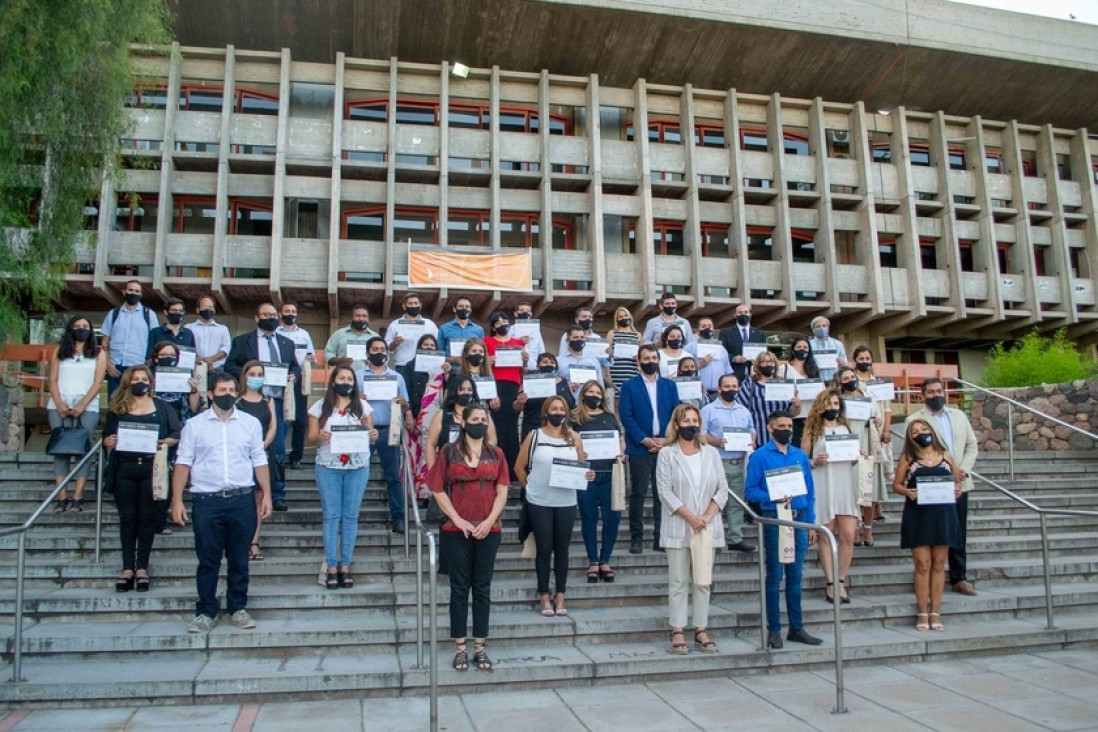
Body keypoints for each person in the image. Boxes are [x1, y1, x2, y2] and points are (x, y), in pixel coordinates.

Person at [171, 371, 272, 633]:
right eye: (222, 390)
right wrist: (176, 501)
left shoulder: (250, 423)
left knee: (240, 558)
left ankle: (238, 607)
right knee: (208, 559)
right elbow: (183, 462)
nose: (227, 395)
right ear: (210, 394)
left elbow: (259, 460)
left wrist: (267, 494)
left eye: (231, 390)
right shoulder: (195, 425)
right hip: (207, 501)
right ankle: (206, 610)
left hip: (241, 499)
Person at [426, 401, 509, 672]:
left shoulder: (495, 453)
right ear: (462, 421)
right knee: (460, 588)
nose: (480, 423)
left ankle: (480, 646)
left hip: (489, 528)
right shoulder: (449, 452)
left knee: (482, 588)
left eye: (483, 419)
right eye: (474, 418)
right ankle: (460, 648)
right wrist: (458, 519)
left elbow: (503, 490)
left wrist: (488, 521)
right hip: (455, 529)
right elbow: (437, 489)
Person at [745, 409, 823, 649]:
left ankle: (796, 627)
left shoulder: (799, 456)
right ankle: (774, 629)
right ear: (770, 428)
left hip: (798, 519)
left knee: (796, 576)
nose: (787, 430)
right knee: (775, 576)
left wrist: (811, 523)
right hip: (776, 518)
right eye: (781, 426)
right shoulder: (759, 456)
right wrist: (774, 496)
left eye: (790, 426)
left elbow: (809, 492)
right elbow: (750, 491)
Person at [656, 402, 728, 654]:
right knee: (678, 580)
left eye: (694, 420)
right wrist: (691, 517)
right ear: (676, 425)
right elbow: (665, 491)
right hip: (679, 524)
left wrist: (706, 516)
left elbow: (722, 488)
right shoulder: (667, 453)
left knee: (702, 579)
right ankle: (677, 629)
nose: (691, 425)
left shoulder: (711, 453)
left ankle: (700, 628)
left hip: (707, 525)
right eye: (685, 421)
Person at [103, 365, 181, 593]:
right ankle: (127, 568)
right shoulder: (117, 407)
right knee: (127, 518)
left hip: (152, 468)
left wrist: (165, 442)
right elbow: (106, 436)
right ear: (128, 381)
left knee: (147, 518)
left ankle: (142, 568)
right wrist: (108, 441)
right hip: (124, 469)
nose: (140, 382)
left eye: (144, 378)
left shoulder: (162, 407)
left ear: (150, 381)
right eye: (135, 378)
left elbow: (176, 434)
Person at [514, 395, 593, 618]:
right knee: (544, 548)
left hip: (566, 501)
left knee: (562, 549)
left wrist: (587, 474)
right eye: (554, 408)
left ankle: (560, 595)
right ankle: (544, 595)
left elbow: (580, 467)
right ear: (546, 412)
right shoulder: (534, 436)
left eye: (562, 409)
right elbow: (519, 467)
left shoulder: (574, 437)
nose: (558, 412)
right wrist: (529, 487)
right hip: (539, 501)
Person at [224, 303, 301, 512]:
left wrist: (294, 374)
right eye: (266, 315)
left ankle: (276, 494)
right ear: (257, 318)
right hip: (249, 402)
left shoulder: (286, 342)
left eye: (274, 315)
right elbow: (229, 366)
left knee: (277, 450)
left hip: (275, 402)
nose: (271, 318)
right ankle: (245, 487)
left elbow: (295, 366)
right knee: (244, 446)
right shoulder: (242, 341)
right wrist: (252, 373)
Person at [906, 377, 979, 596]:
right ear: (922, 395)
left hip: (959, 484)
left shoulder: (959, 415)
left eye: (939, 391)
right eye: (931, 392)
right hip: (931, 486)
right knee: (929, 532)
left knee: (957, 531)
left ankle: (959, 577)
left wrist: (962, 470)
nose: (936, 395)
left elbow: (971, 445)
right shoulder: (914, 419)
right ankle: (924, 576)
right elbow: (912, 452)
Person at [307, 365, 377, 588]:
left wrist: (373, 435)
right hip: (329, 466)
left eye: (350, 379)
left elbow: (370, 435)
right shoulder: (320, 407)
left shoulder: (363, 407)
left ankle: (345, 565)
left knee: (350, 516)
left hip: (358, 466)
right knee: (331, 516)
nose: (346, 382)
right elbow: (310, 438)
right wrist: (321, 436)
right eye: (342, 378)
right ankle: (330, 566)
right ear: (333, 381)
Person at [893, 419, 963, 631]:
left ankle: (936, 611)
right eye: (916, 431)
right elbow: (896, 484)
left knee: (939, 563)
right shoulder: (908, 458)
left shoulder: (946, 456)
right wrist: (907, 491)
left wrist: (957, 489)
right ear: (910, 437)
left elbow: (957, 479)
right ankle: (922, 610)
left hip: (943, 514)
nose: (921, 433)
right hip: (919, 514)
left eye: (924, 429)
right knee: (922, 564)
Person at [801, 388, 859, 604]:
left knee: (848, 535)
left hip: (845, 483)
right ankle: (830, 583)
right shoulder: (812, 429)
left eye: (836, 404)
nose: (832, 408)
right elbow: (803, 459)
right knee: (826, 535)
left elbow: (852, 458)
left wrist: (856, 457)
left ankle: (841, 580)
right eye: (829, 404)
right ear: (821, 405)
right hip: (823, 482)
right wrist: (815, 461)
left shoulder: (846, 428)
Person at [618, 344, 678, 554]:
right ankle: (637, 538)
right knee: (639, 494)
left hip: (665, 447)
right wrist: (644, 440)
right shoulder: (629, 386)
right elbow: (626, 416)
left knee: (663, 493)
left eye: (654, 357)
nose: (651, 361)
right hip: (639, 448)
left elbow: (675, 415)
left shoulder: (670, 386)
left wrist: (666, 439)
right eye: (647, 358)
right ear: (639, 361)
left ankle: (660, 537)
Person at [46, 314, 106, 513]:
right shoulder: (59, 352)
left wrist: (82, 404)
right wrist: (59, 403)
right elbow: (52, 379)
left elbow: (98, 382)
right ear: (70, 329)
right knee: (60, 450)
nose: (82, 328)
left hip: (87, 406)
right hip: (59, 404)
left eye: (85, 326)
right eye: (77, 325)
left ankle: (77, 497)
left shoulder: (98, 353)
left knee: (83, 450)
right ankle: (61, 496)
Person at [355, 337, 412, 533]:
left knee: (394, 477)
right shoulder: (356, 375)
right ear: (367, 353)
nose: (379, 352)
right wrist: (356, 399)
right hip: (363, 431)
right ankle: (352, 516)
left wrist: (402, 403)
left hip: (390, 430)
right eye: (375, 349)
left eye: (382, 349)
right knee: (357, 474)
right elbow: (345, 404)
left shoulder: (397, 377)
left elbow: (406, 406)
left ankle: (398, 518)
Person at [571, 380, 625, 583]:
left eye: (598, 392)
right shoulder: (574, 418)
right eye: (591, 392)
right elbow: (569, 444)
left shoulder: (610, 417)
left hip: (611, 473)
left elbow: (620, 439)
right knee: (589, 518)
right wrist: (578, 454)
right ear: (583, 395)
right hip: (587, 476)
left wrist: (622, 450)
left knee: (613, 518)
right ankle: (593, 560)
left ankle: (605, 560)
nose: (595, 395)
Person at [148, 340, 202, 535]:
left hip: (177, 430)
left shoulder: (185, 376)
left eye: (172, 356)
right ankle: (151, 519)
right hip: (153, 428)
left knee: (170, 474)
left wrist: (194, 390)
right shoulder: (147, 376)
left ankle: (162, 520)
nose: (168, 359)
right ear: (155, 358)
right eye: (164, 355)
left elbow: (194, 408)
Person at [701, 373, 756, 552]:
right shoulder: (708, 410)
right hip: (717, 463)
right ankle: (713, 538)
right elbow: (701, 434)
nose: (731, 390)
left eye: (734, 386)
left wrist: (752, 439)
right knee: (714, 503)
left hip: (738, 462)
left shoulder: (743, 411)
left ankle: (735, 538)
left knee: (736, 503)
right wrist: (717, 442)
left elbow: (751, 430)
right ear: (719, 389)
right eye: (727, 386)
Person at [234, 362, 277, 561]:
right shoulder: (235, 401)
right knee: (242, 501)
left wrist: (262, 445)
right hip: (239, 456)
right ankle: (239, 542)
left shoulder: (268, 399)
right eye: (252, 373)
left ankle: (254, 542)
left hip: (262, 454)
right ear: (244, 375)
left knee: (259, 500)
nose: (256, 376)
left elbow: (272, 427)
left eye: (260, 374)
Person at [853, 345, 893, 530]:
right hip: (859, 431)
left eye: (867, 358)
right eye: (860, 358)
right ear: (855, 361)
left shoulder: (879, 382)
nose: (864, 362)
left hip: (877, 432)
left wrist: (886, 429)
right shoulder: (851, 381)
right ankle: (862, 508)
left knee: (877, 467)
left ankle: (876, 505)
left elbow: (887, 407)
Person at [400, 333, 444, 504]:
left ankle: (429, 493)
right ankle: (413, 493)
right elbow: (406, 392)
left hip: (434, 418)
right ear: (419, 347)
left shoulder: (442, 367)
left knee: (430, 455)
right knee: (414, 456)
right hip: (414, 414)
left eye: (432, 345)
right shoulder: (410, 366)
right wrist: (409, 414)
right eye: (425, 345)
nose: (429, 348)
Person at [484, 310, 528, 475]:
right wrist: (488, 362)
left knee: (511, 428)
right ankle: (497, 469)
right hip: (495, 386)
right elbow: (484, 368)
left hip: (513, 386)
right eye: (498, 322)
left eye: (505, 321)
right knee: (496, 427)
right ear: (493, 327)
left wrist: (525, 362)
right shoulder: (486, 341)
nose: (502, 324)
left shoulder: (518, 343)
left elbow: (522, 370)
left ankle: (512, 470)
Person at [425, 374, 498, 468]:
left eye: (469, 390)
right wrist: (433, 471)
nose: (466, 393)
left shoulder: (483, 414)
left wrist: (479, 455)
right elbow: (430, 444)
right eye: (462, 389)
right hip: (447, 467)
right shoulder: (441, 415)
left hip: (477, 466)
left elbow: (492, 440)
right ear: (454, 391)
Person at [101, 279, 158, 396]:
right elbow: (105, 343)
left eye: (137, 291)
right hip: (115, 368)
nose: (133, 293)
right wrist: (107, 364)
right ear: (124, 292)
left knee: (136, 405)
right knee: (114, 403)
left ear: (141, 294)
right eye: (130, 290)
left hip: (138, 367)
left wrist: (148, 363)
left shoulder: (149, 314)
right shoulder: (113, 313)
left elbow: (155, 342)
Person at [276, 301, 316, 470]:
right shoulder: (275, 333)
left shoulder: (304, 334)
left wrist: (309, 361)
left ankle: (296, 457)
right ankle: (278, 455)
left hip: (299, 381)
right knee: (280, 420)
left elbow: (311, 356)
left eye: (293, 311)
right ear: (280, 314)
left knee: (299, 421)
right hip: (278, 379)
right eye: (287, 311)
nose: (290, 314)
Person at [735, 351, 799, 449]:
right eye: (764, 362)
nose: (768, 364)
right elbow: (740, 409)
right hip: (759, 438)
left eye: (771, 362)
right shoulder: (750, 383)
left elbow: (792, 413)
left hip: (783, 439)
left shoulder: (784, 384)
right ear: (758, 364)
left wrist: (796, 405)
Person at [516, 353, 576, 442]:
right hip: (533, 427)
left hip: (560, 428)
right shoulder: (528, 382)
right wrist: (519, 402)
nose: (549, 364)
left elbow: (572, 405)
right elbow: (517, 407)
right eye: (545, 362)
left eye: (552, 362)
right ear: (537, 366)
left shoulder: (565, 383)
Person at [778, 336, 820, 447]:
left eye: (805, 347)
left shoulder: (814, 369)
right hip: (794, 417)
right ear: (793, 349)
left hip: (812, 416)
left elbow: (822, 391)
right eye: (799, 347)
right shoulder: (784, 369)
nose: (802, 349)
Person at [386, 291, 439, 368]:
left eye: (415, 303)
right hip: (403, 365)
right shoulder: (395, 324)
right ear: (404, 306)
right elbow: (387, 348)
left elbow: (437, 344)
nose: (413, 306)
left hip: (425, 365)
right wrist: (395, 343)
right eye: (410, 303)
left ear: (420, 305)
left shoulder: (430, 324)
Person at [686, 317, 731, 402]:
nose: (707, 329)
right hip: (698, 392)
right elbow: (683, 371)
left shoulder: (721, 349)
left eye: (710, 326)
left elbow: (727, 370)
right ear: (697, 330)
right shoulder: (689, 348)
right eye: (703, 326)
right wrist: (700, 365)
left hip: (718, 393)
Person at [324, 304, 380, 371]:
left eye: (364, 316)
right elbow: (328, 353)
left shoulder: (375, 337)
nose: (361, 319)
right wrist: (339, 361)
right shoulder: (338, 334)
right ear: (351, 319)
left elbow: (385, 357)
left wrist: (374, 362)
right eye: (357, 316)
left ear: (368, 320)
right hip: (344, 376)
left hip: (367, 376)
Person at [719, 303, 765, 384]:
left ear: (750, 314)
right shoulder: (725, 333)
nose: (743, 314)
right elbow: (721, 352)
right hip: (733, 374)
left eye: (746, 312)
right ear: (735, 315)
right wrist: (734, 358)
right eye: (740, 313)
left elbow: (764, 354)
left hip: (755, 375)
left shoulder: (759, 334)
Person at [185, 295, 231, 371]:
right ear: (197, 309)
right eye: (204, 307)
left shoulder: (223, 329)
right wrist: (197, 358)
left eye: (210, 307)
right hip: (194, 368)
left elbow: (225, 348)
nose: (207, 309)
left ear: (214, 310)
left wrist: (212, 359)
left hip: (216, 368)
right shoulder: (189, 328)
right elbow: (186, 347)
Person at [557, 324, 605, 397]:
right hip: (566, 403)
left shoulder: (594, 361)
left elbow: (600, 386)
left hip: (588, 404)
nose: (579, 340)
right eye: (575, 337)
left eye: (582, 337)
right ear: (567, 341)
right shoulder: (558, 361)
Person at [437, 295, 484, 361]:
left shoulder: (479, 330)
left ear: (470, 310)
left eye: (467, 307)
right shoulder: (444, 328)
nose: (464, 308)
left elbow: (482, 351)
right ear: (454, 309)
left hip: (471, 369)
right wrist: (453, 360)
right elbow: (440, 352)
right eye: (461, 306)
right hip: (452, 369)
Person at [606, 306, 640, 393]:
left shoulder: (638, 335)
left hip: (632, 373)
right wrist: (608, 376)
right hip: (616, 374)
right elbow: (606, 356)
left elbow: (641, 356)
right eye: (620, 317)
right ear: (617, 320)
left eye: (625, 315)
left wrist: (638, 359)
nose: (624, 318)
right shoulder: (612, 333)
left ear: (630, 317)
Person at [808, 316, 848, 382]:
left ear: (828, 328)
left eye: (824, 326)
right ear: (813, 329)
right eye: (818, 326)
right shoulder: (809, 345)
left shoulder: (837, 344)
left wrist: (843, 363)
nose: (821, 328)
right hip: (817, 381)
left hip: (835, 381)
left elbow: (845, 364)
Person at [514, 301, 545, 371]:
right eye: (521, 310)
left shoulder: (537, 332)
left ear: (530, 314)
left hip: (533, 369)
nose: (525, 312)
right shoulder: (511, 330)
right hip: (517, 370)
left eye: (528, 311)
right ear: (516, 314)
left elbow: (541, 352)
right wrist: (519, 341)